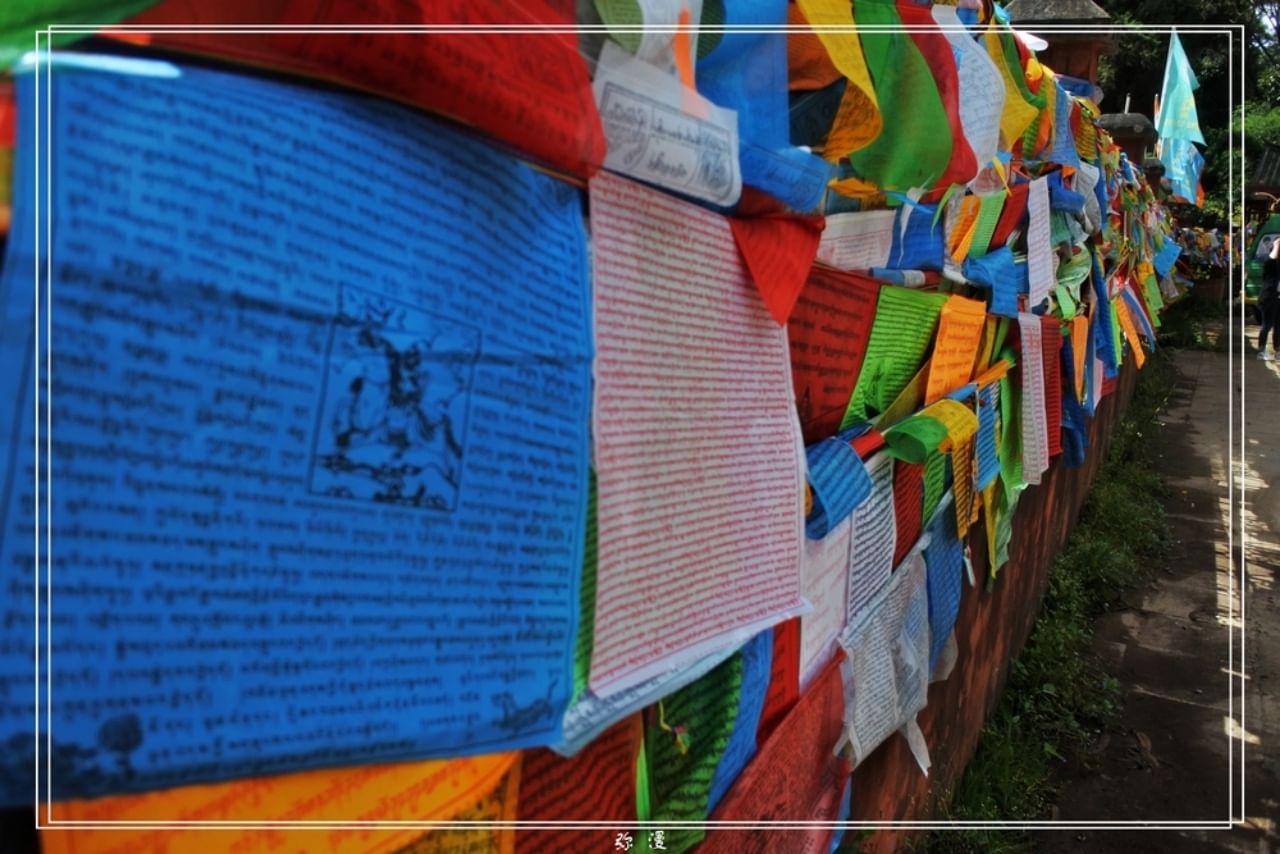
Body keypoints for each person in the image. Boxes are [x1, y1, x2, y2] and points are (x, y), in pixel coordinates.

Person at [1260, 239, 1280, 359]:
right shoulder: (1271, 265)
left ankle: (1278, 350)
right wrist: (1277, 245)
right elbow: (1271, 260)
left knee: (1279, 327)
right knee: (1267, 325)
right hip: (1270, 299)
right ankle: (1261, 350)